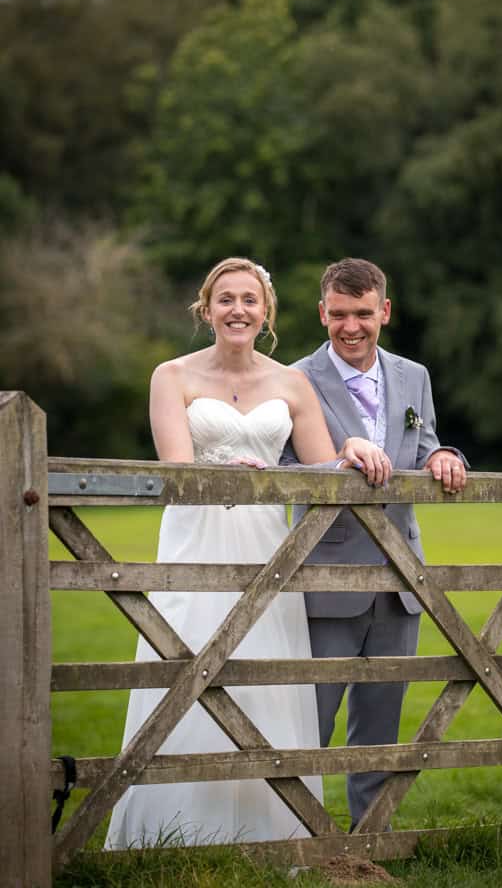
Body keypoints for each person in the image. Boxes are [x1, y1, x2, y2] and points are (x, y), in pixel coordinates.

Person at [105, 257, 388, 849]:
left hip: (267, 549)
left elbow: (320, 467)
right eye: (226, 299)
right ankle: (173, 834)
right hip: (194, 544)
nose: (238, 310)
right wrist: (223, 472)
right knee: (186, 670)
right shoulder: (172, 376)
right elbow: (177, 469)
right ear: (206, 310)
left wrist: (353, 446)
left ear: (267, 313)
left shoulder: (291, 383)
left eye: (250, 300)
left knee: (264, 680)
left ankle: (273, 833)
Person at [286, 257, 468, 830]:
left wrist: (445, 456)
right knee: (308, 721)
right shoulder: (294, 378)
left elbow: (427, 442)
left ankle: (370, 839)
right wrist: (341, 454)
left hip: (401, 581)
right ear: (322, 313)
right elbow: (287, 465)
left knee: (381, 722)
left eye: (363, 313)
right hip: (325, 578)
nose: (351, 327)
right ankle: (301, 842)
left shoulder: (415, 376)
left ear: (384, 311)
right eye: (338, 314)